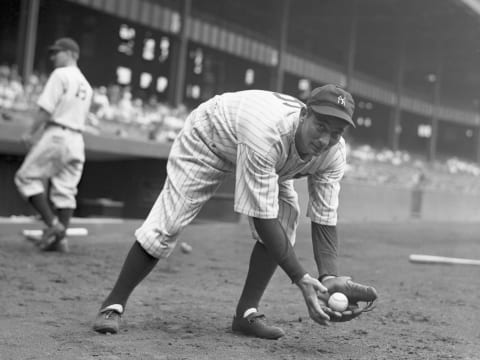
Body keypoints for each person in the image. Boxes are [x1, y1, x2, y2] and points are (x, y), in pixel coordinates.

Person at [93, 84, 377, 339]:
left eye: (336, 132)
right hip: (211, 136)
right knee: (168, 223)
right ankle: (113, 304)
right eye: (321, 126)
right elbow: (262, 216)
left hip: (270, 159)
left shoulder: (335, 153)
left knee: (286, 219)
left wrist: (329, 277)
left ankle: (246, 315)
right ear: (304, 114)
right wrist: (301, 277)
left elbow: (325, 217)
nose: (326, 139)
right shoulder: (268, 131)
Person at [15, 37, 93, 252]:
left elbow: (46, 109)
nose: (53, 56)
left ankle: (54, 225)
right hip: (77, 139)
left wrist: (31, 132)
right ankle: (61, 241)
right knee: (66, 190)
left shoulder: (60, 75)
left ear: (71, 54)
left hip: (58, 133)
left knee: (25, 177)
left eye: (57, 52)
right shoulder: (87, 84)